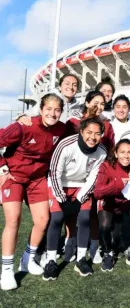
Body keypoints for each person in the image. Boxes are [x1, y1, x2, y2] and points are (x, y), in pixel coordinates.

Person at [0, 94, 66, 291]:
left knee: (42, 220)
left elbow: (81, 131)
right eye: (49, 108)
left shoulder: (61, 128)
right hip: (14, 177)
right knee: (13, 220)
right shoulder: (23, 126)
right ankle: (6, 270)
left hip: (37, 179)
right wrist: (2, 166)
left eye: (57, 110)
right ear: (41, 108)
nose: (52, 113)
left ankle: (27, 260)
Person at [43, 117, 107, 281]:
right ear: (81, 131)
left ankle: (81, 258)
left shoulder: (102, 152)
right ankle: (51, 260)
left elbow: (93, 178)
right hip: (60, 184)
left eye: (97, 134)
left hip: (81, 186)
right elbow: (54, 172)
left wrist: (79, 200)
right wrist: (62, 200)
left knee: (85, 218)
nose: (92, 137)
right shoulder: (65, 145)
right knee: (56, 218)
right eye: (89, 132)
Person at [94, 139, 130, 272]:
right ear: (116, 153)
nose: (126, 156)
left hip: (129, 202)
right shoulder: (106, 165)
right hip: (110, 202)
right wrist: (117, 184)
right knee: (105, 226)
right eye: (122, 152)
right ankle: (107, 254)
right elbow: (98, 192)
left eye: (129, 152)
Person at [17, 73, 81, 124]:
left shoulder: (79, 107)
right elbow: (31, 113)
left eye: (74, 85)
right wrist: (22, 117)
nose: (71, 87)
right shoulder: (49, 100)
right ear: (59, 87)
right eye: (67, 84)